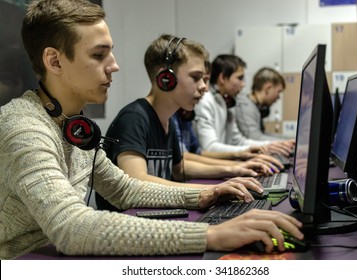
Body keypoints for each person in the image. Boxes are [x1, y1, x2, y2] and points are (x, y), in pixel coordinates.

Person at [0, 0, 303, 260]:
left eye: (111, 53)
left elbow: (123, 189)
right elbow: (72, 228)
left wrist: (206, 195)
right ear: (54, 61)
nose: (114, 65)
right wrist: (209, 234)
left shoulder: (74, 128)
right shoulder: (24, 128)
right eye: (98, 55)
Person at [95, 35, 278, 212]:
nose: (204, 86)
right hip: (128, 225)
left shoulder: (168, 119)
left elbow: (178, 167)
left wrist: (234, 170)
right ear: (165, 78)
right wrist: (212, 189)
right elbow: (137, 180)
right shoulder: (134, 118)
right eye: (196, 77)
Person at [172, 61, 285, 173]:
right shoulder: (205, 101)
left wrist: (242, 161)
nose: (204, 88)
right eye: (196, 78)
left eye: (205, 80)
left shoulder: (226, 103)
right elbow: (204, 150)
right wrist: (237, 164)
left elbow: (198, 153)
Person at [193, 54, 295, 155]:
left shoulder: (228, 102)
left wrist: (268, 146)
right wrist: (243, 153)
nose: (243, 84)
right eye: (239, 78)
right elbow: (209, 147)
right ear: (223, 78)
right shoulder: (205, 101)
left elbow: (237, 141)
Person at [235, 67, 291, 141]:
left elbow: (262, 134)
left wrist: (291, 140)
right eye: (278, 92)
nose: (278, 97)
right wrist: (290, 144)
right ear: (268, 88)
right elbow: (255, 138)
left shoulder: (254, 105)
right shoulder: (245, 106)